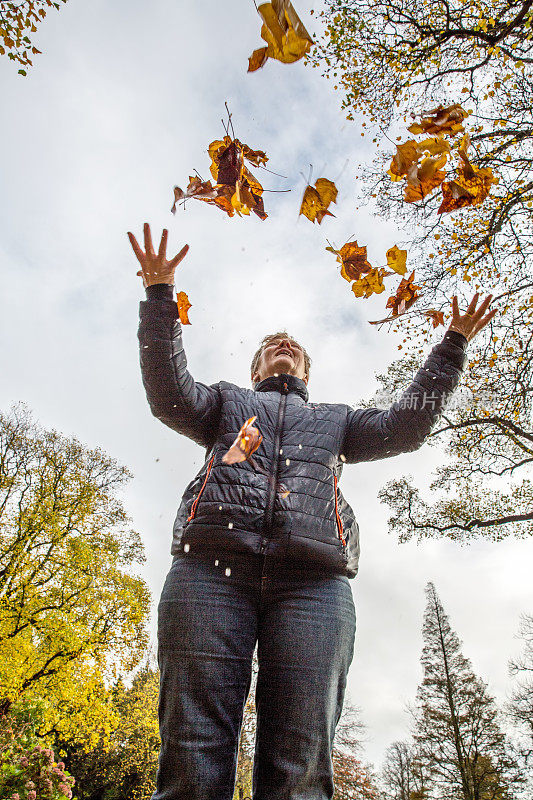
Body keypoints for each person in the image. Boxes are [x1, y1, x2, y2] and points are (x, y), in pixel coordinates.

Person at [128, 223, 497, 800]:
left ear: (306, 370)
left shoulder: (336, 421)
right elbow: (168, 393)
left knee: (299, 759)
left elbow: (407, 425)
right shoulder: (228, 402)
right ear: (255, 369)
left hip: (314, 582)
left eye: (295, 347)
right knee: (193, 748)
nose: (286, 346)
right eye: (273, 344)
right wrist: (159, 298)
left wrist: (451, 348)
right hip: (210, 569)